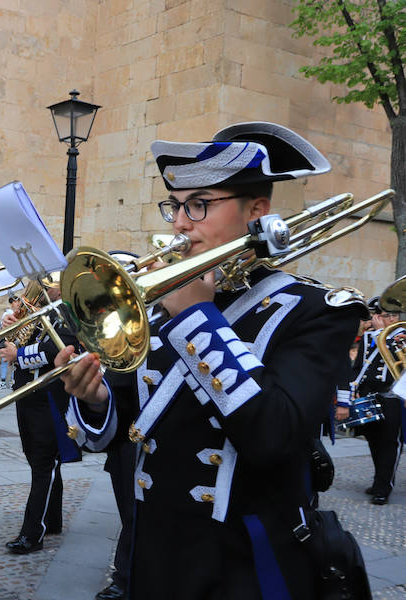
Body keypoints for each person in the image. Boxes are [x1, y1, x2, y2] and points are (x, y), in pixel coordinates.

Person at [55, 122, 365, 599]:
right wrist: (95, 396)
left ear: (257, 211)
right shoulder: (167, 304)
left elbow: (275, 435)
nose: (179, 222)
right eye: (175, 206)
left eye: (199, 204)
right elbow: (131, 418)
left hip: (242, 558)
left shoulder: (316, 311)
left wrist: (197, 317)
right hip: (155, 546)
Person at [0, 275, 80, 554]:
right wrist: (9, 326)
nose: (42, 290)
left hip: (49, 396)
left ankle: (33, 533)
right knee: (40, 460)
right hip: (28, 394)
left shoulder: (69, 312)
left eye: (48, 285)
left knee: (44, 464)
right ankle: (52, 519)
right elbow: (6, 345)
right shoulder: (40, 313)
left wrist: (18, 354)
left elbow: (59, 348)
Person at [351, 296, 404, 505]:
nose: (382, 319)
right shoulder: (367, 338)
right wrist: (353, 387)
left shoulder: (401, 335)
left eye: (389, 316)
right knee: (373, 440)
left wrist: (385, 333)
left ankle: (384, 488)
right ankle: (378, 481)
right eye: (379, 315)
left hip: (392, 397)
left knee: (390, 443)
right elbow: (358, 366)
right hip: (369, 395)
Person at [0, 295, 22, 390]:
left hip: (17, 340)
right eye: (15, 302)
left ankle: (12, 380)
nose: (18, 303)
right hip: (7, 340)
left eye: (19, 301)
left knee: (15, 361)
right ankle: (2, 380)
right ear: (11, 303)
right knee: (5, 360)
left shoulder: (21, 313)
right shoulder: (7, 313)